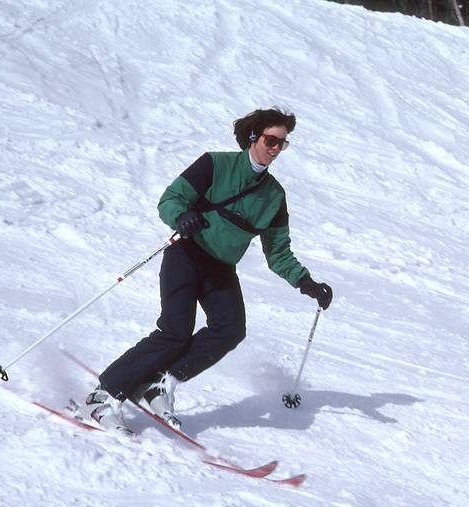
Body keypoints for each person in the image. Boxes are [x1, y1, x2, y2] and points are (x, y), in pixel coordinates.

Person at [76, 108, 333, 432]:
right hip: (187, 254)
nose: (276, 148)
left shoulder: (274, 196)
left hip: (221, 268)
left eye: (282, 144)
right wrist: (181, 217)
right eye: (271, 140)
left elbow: (278, 251)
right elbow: (171, 199)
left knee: (230, 329)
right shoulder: (215, 164)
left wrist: (306, 282)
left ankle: (159, 384)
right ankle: (100, 399)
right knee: (174, 332)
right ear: (254, 136)